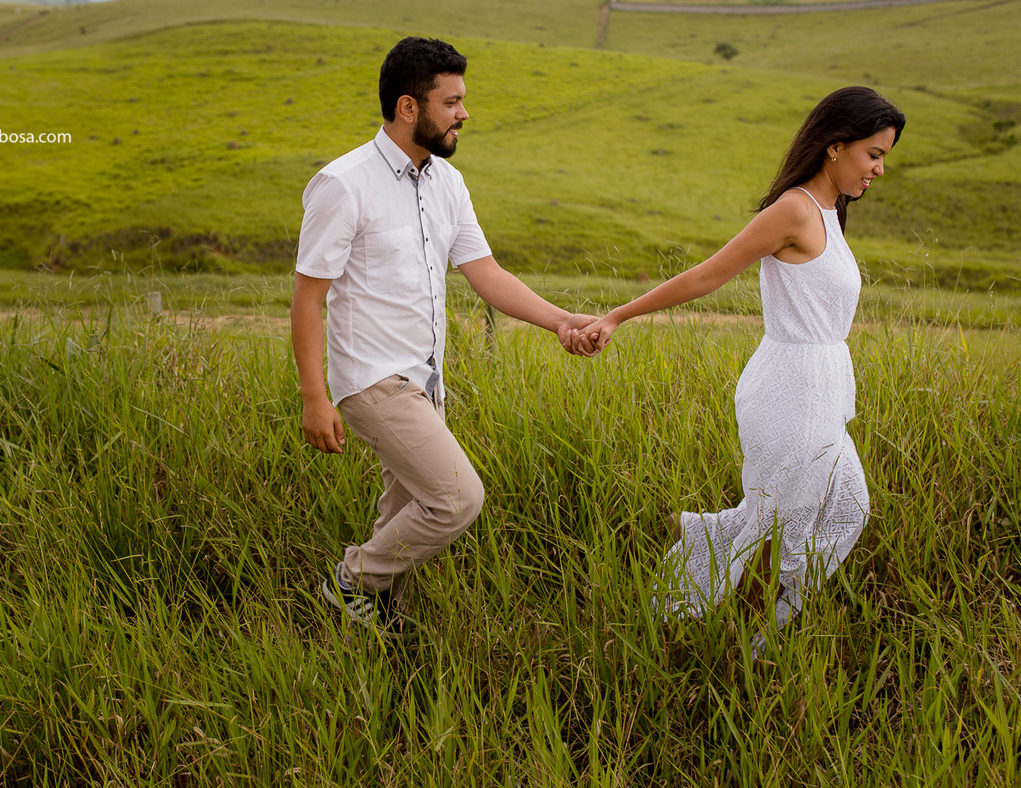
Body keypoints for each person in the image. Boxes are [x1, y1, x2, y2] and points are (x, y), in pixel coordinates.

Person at [570, 86, 906, 652]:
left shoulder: (829, 213)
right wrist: (618, 316)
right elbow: (707, 274)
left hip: (821, 386)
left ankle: (688, 532)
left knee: (845, 508)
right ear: (835, 146)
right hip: (791, 389)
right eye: (873, 154)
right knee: (780, 526)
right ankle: (746, 648)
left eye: (883, 158)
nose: (877, 169)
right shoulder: (795, 209)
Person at [292, 36, 597, 639]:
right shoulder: (343, 184)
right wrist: (314, 396)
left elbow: (487, 274)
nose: (464, 113)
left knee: (405, 510)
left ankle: (365, 630)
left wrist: (562, 321)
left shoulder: (447, 184)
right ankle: (351, 580)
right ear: (409, 107)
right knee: (457, 498)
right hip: (373, 380)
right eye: (452, 102)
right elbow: (308, 297)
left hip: (426, 380)